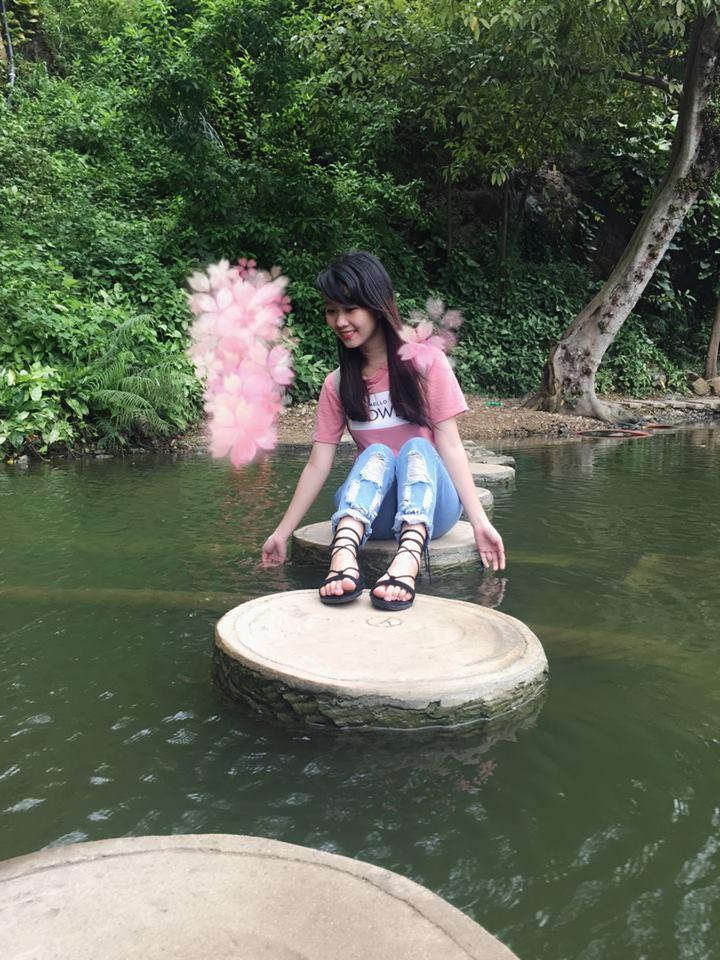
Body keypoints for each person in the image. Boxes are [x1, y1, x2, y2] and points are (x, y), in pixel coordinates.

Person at [261, 251, 505, 610]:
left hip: (432, 507)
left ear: (376, 306)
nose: (340, 321)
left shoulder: (425, 364)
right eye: (331, 310)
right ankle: (343, 556)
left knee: (415, 448)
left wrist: (480, 522)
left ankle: (408, 559)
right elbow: (317, 464)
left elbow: (451, 445)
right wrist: (281, 533)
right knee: (376, 454)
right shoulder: (337, 384)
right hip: (371, 511)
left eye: (350, 308)